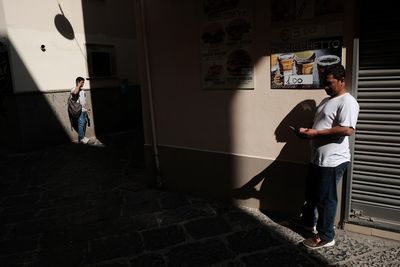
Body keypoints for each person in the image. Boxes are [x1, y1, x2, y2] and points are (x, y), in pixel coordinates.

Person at [296, 64, 359, 249]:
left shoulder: (347, 102)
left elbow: (347, 129)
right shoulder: (326, 100)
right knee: (311, 194)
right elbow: (321, 123)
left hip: (333, 160)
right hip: (317, 158)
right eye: (324, 82)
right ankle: (308, 222)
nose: (326, 86)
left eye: (330, 83)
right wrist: (308, 130)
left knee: (326, 199)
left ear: (341, 81)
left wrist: (316, 134)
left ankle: (326, 236)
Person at [71, 76, 91, 144]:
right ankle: (82, 138)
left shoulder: (83, 91)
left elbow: (84, 101)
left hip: (84, 110)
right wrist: (78, 86)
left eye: (83, 82)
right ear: (78, 82)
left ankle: (82, 138)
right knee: (81, 124)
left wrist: (88, 109)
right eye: (82, 82)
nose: (83, 83)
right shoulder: (74, 89)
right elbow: (75, 93)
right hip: (79, 110)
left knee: (83, 123)